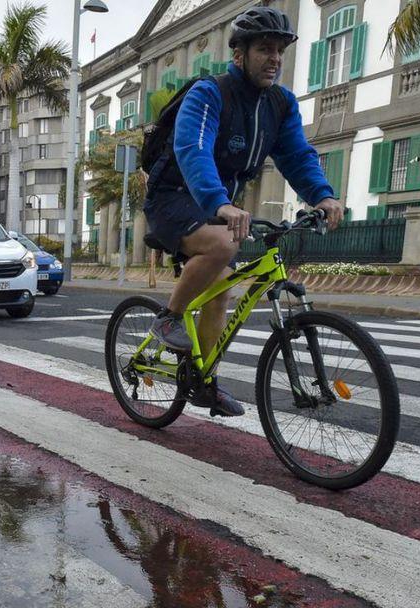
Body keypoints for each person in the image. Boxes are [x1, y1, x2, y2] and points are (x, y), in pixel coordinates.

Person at [142, 6, 344, 417]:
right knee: (222, 244)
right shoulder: (209, 93)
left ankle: (203, 381)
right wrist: (220, 203)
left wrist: (322, 196)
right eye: (265, 49)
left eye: (280, 51)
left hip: (218, 204)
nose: (274, 59)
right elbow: (193, 150)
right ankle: (168, 318)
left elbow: (296, 155)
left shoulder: (280, 104)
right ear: (239, 54)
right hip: (173, 196)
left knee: (221, 289)